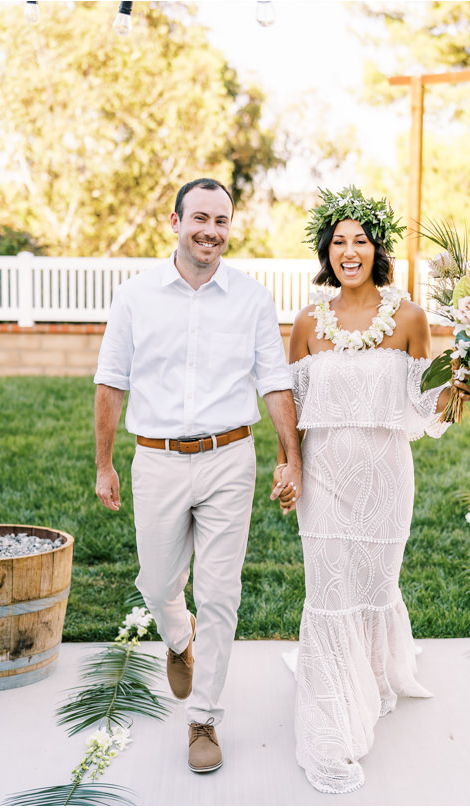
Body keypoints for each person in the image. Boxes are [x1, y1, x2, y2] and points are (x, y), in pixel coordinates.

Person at [93, 178, 303, 774]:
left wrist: (291, 457)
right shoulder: (134, 296)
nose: (212, 230)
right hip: (155, 458)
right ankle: (179, 639)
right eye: (201, 218)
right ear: (175, 221)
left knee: (219, 592)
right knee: (158, 584)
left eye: (222, 220)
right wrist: (105, 464)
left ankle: (202, 717)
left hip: (229, 458)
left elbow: (275, 384)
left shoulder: (252, 299)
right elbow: (111, 381)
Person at [276, 186, 470, 794]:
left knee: (373, 583)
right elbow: (291, 405)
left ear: (377, 248)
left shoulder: (410, 317)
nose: (349, 250)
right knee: (330, 592)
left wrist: (460, 384)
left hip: (387, 479)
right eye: (338, 241)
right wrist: (291, 467)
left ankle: (371, 677)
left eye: (360, 239)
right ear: (326, 253)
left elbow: (424, 403)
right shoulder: (309, 322)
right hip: (326, 481)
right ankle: (333, 723)